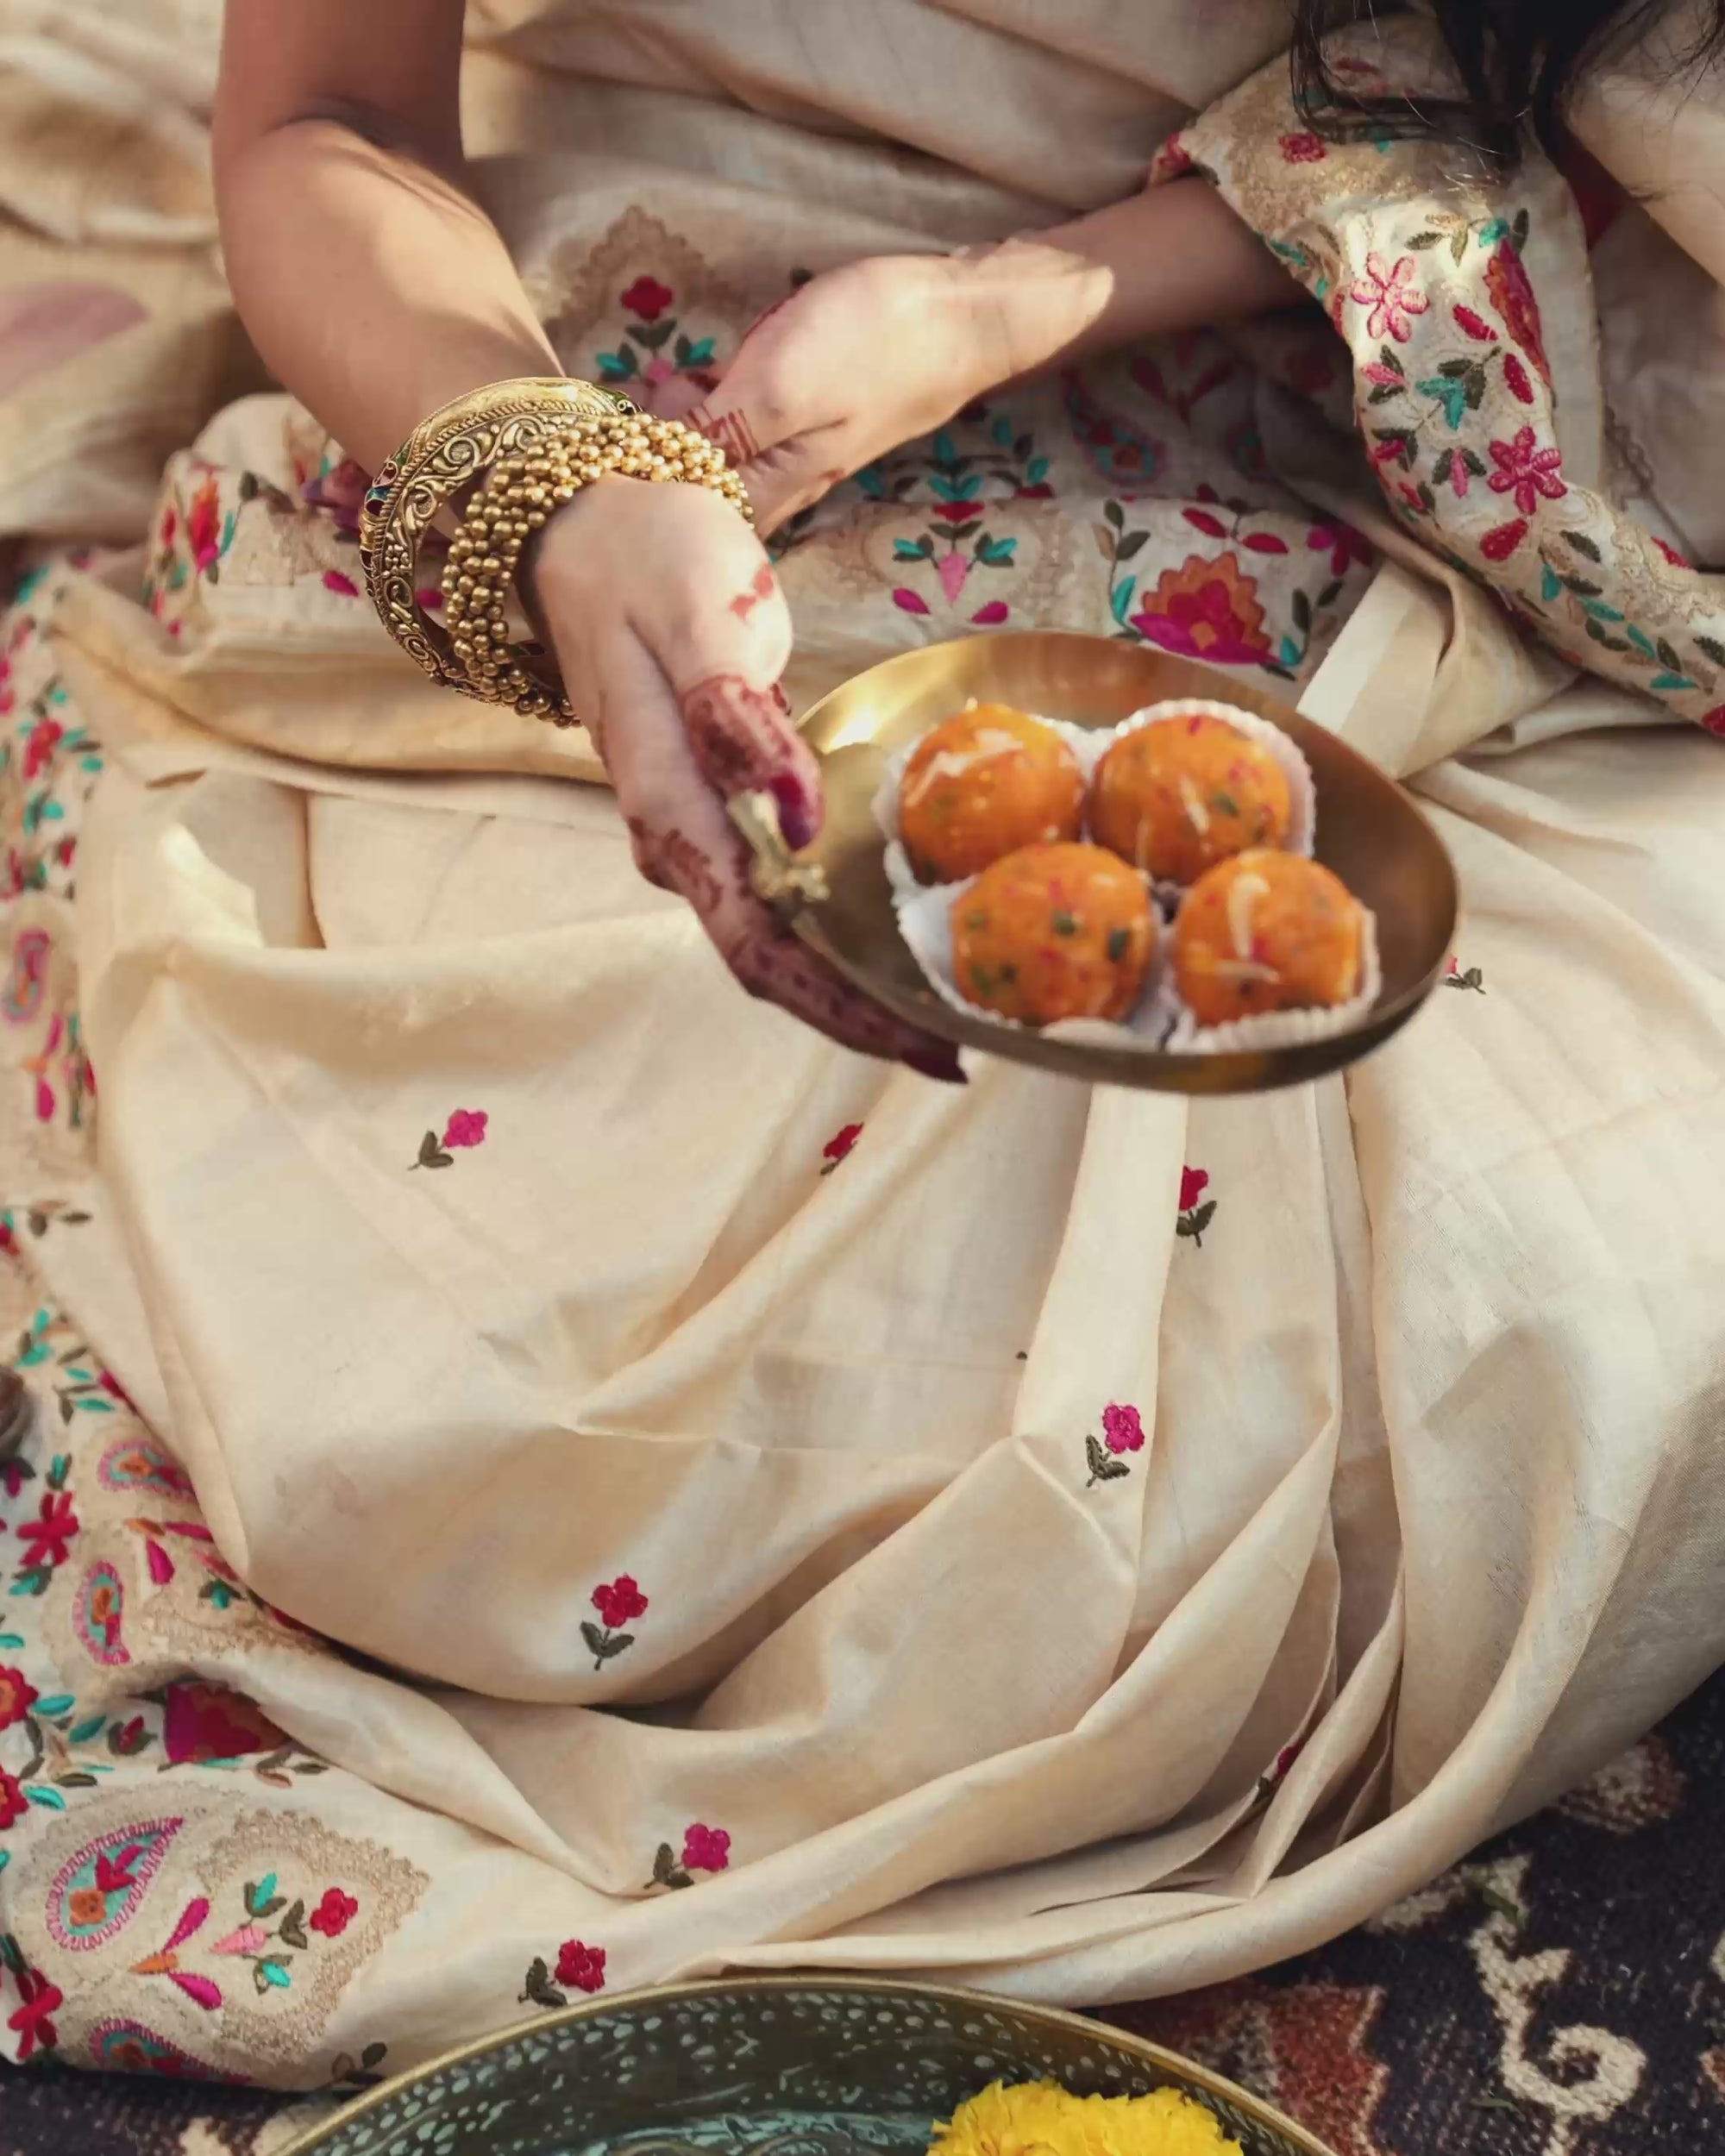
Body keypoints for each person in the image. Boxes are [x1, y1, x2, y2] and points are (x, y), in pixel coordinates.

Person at [0, 0, 1720, 2097]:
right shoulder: (556, 464)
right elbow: (330, 124)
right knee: (492, 1411)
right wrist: (548, 496)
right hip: (587, 421)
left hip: (1276, 430)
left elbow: (1520, 84)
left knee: (1547, 1319)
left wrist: (1021, 294)